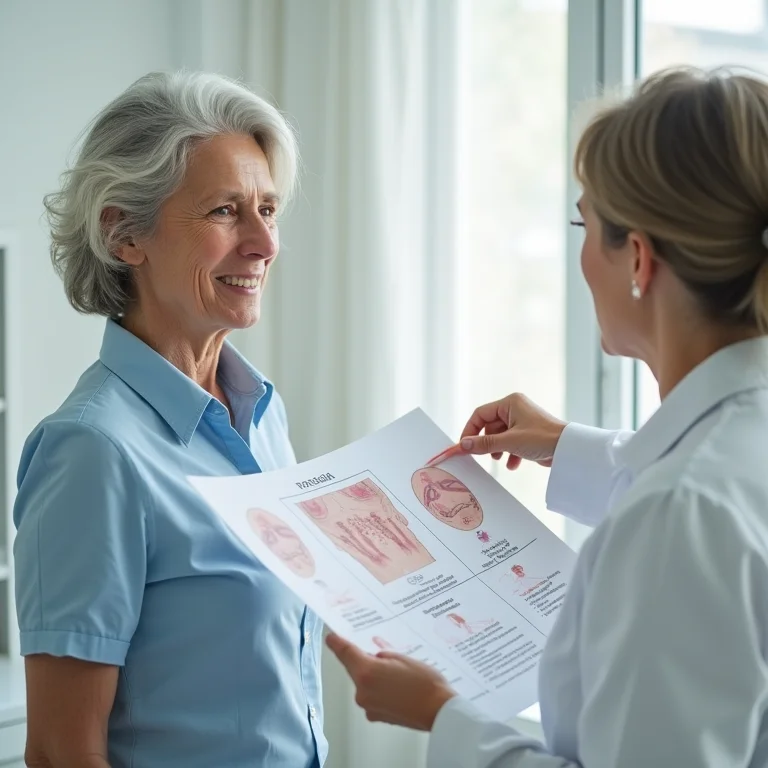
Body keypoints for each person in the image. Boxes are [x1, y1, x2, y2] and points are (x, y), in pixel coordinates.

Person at [327, 66, 768, 767]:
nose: (582, 255)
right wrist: (564, 446)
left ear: (640, 261)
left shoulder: (681, 511)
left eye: (583, 224)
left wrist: (444, 719)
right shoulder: (726, 458)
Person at [14, 71, 327, 767]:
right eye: (224, 211)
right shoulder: (91, 452)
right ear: (124, 233)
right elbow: (63, 753)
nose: (264, 243)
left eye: (268, 210)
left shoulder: (262, 416)